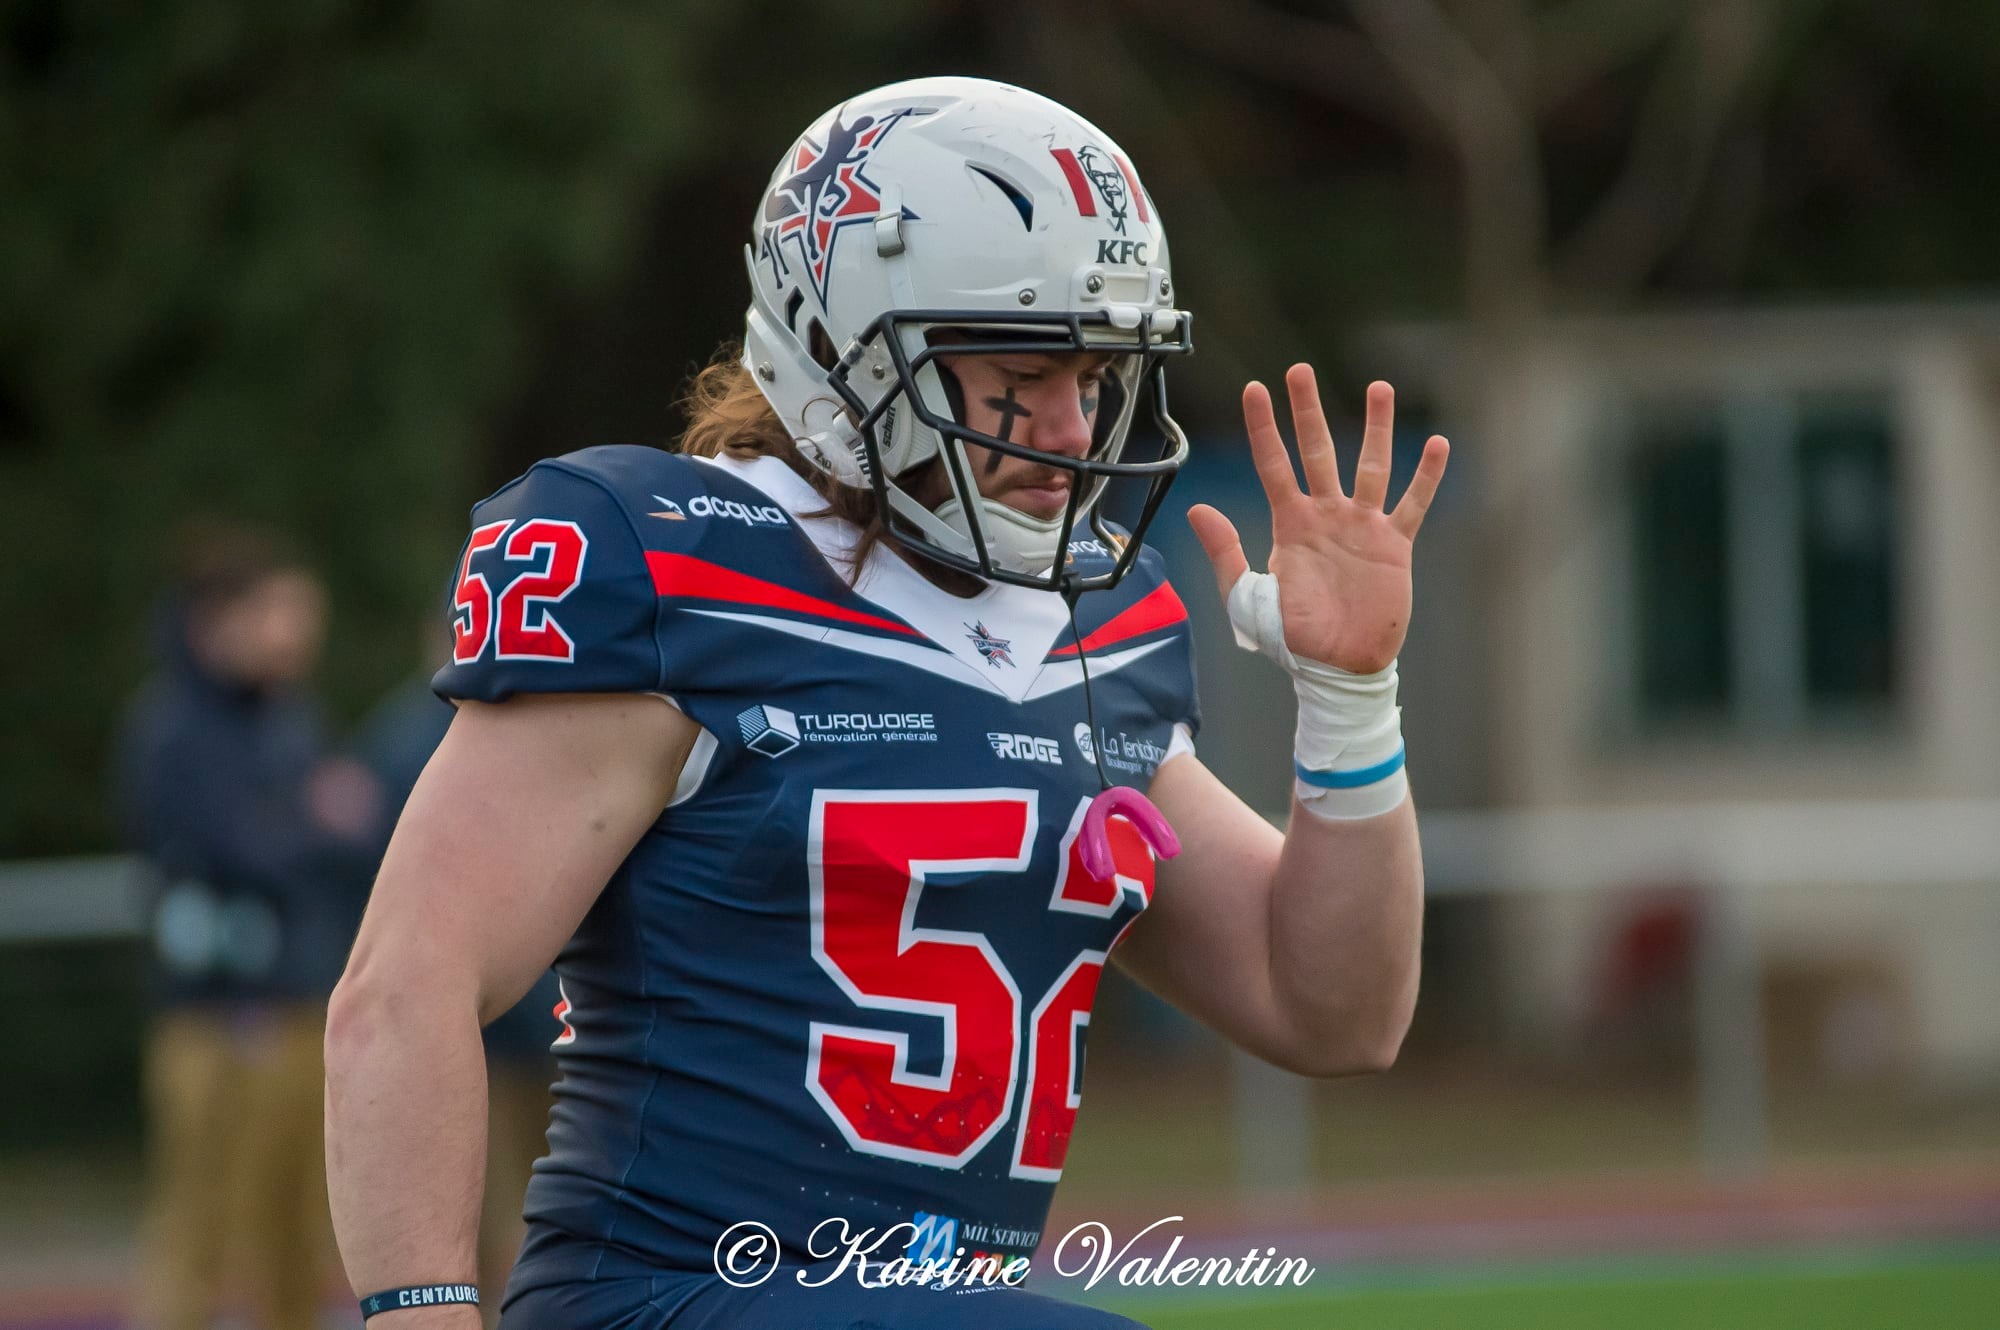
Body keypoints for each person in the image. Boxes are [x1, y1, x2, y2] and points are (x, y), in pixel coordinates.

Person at [325, 76, 1448, 1330]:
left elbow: (1331, 1009)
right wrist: (419, 1311)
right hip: (669, 1297)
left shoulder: (1093, 630)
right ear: (841, 346)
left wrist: (1352, 698)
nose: (1076, 423)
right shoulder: (672, 567)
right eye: (1027, 367)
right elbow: (405, 983)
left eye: (1099, 371)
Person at [115, 523, 382, 1330]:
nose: (297, 634)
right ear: (219, 621)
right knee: (199, 1231)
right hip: (215, 1016)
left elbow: (348, 830)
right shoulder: (169, 729)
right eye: (278, 613)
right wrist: (313, 820)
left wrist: (305, 824)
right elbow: (246, 849)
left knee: (301, 1232)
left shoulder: (288, 718)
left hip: (301, 1003)